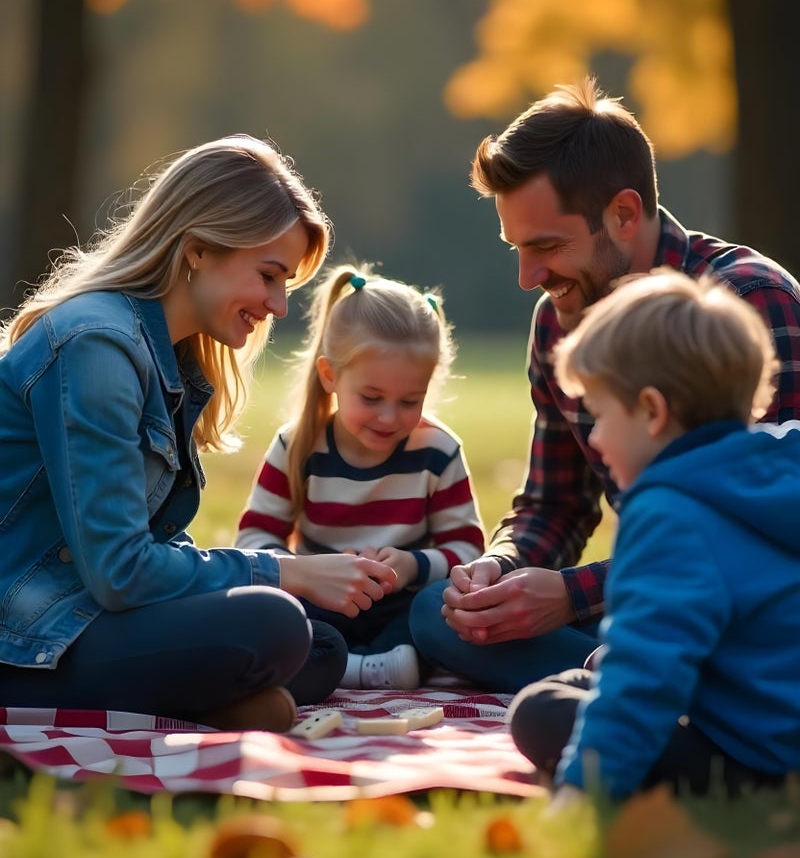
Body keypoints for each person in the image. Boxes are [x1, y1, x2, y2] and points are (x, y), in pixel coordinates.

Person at [409, 75, 800, 693]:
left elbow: (759, 532)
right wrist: (501, 569)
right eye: (516, 248)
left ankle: (632, 685)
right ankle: (625, 682)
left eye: (546, 246)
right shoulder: (558, 321)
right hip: (641, 603)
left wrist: (572, 595)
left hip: (754, 612)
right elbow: (555, 504)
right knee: (440, 613)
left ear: (623, 214)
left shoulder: (749, 302)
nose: (527, 277)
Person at [0, 135, 398, 732]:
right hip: (24, 635)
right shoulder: (96, 345)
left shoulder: (168, 356)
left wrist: (282, 579)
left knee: (321, 648)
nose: (279, 305)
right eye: (269, 276)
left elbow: (143, 550)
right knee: (275, 625)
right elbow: (120, 571)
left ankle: (191, 696)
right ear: (198, 250)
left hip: (82, 612)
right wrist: (283, 570)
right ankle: (186, 696)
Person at [508, 269, 800, 799]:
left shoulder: (667, 510)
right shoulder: (780, 466)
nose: (596, 440)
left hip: (761, 766)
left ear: (652, 411)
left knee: (541, 711)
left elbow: (645, 679)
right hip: (774, 715)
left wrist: (578, 795)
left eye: (600, 416)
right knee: (587, 677)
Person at [235, 262, 485, 689]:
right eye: (371, 397)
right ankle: (358, 666)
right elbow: (254, 540)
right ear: (330, 376)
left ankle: (348, 665)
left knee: (436, 609)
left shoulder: (438, 452)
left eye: (410, 401)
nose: (389, 417)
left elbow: (468, 550)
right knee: (271, 612)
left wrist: (411, 565)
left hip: (401, 605)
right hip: (321, 600)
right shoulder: (298, 446)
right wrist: (310, 572)